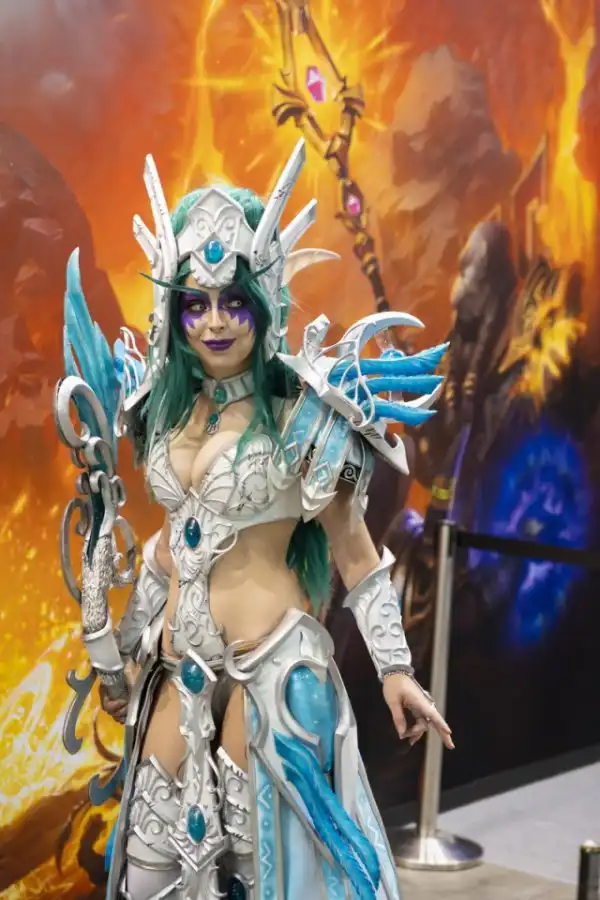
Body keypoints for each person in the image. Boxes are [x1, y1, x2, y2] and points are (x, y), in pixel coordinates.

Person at [59, 139, 452, 900]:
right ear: (173, 310)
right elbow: (172, 549)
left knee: (262, 877)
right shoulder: (157, 410)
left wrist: (396, 671)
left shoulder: (307, 415)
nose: (214, 322)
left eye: (234, 301)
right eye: (196, 303)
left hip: (271, 671)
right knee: (146, 874)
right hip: (175, 672)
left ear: (264, 303)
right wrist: (125, 650)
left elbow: (354, 551)